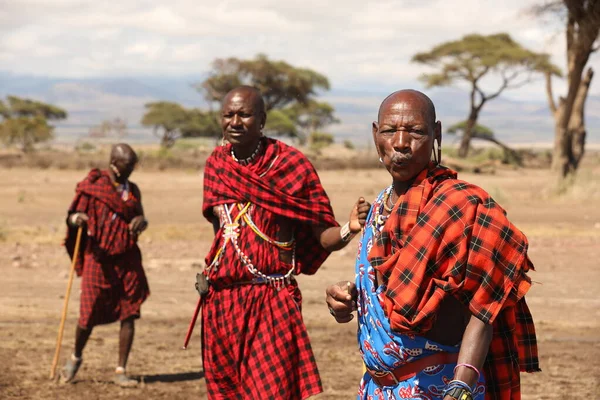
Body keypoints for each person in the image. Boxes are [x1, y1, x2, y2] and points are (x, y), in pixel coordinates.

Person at [325, 90, 539, 400]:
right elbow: (387, 292)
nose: (400, 142)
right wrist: (349, 298)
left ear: (436, 133)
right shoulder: (378, 208)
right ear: (375, 135)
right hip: (377, 389)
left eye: (415, 131)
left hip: (442, 388)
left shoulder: (463, 207)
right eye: (389, 131)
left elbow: (483, 307)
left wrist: (461, 385)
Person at [200, 85, 370, 399]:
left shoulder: (289, 165)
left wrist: (350, 227)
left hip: (271, 298)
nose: (235, 122)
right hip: (221, 302)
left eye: (245, 114)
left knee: (271, 393)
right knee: (226, 392)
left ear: (262, 119)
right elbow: (222, 235)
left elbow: (324, 239)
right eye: (228, 115)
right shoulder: (217, 165)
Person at [61, 143, 150, 387]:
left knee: (130, 312)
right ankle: (75, 358)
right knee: (87, 315)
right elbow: (72, 215)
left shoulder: (132, 191)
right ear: (114, 163)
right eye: (128, 165)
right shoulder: (93, 187)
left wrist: (142, 222)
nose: (132, 169)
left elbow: (139, 216)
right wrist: (76, 219)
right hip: (98, 260)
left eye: (133, 165)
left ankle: (121, 369)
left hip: (127, 259)